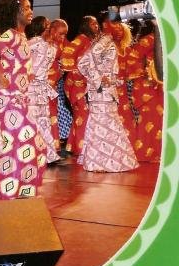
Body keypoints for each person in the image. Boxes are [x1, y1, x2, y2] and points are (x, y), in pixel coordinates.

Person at [0, 0, 46, 199]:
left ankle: (22, 188)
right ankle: (7, 190)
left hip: (18, 97)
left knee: (34, 144)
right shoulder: (10, 34)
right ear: (15, 12)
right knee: (20, 143)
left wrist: (24, 75)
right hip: (9, 98)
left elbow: (13, 63)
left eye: (30, 7)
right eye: (26, 8)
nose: (31, 11)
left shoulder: (21, 36)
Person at [76, 16, 138, 172]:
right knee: (102, 124)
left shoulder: (106, 41)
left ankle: (104, 162)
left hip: (107, 92)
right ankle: (99, 163)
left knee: (106, 123)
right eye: (114, 24)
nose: (118, 28)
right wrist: (98, 78)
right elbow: (83, 62)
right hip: (100, 92)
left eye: (119, 25)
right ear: (106, 25)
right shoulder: (103, 41)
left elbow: (109, 68)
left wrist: (113, 81)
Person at [25, 16, 60, 164]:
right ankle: (31, 155)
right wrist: (27, 71)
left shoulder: (53, 47)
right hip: (30, 87)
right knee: (31, 120)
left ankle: (48, 154)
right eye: (46, 25)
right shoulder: (33, 43)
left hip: (42, 88)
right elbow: (20, 56)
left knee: (44, 121)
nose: (48, 27)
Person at [61, 16, 96, 155]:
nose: (96, 26)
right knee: (83, 115)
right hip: (77, 86)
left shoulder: (91, 41)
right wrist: (77, 75)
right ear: (86, 26)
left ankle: (75, 146)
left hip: (87, 85)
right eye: (93, 24)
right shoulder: (81, 39)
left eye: (96, 24)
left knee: (82, 116)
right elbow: (67, 54)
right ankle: (82, 149)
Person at [128, 19, 163, 162]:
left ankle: (160, 153)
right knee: (150, 121)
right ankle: (144, 154)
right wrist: (145, 74)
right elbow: (132, 58)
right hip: (149, 89)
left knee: (161, 121)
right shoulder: (148, 40)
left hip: (163, 88)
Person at [103, 17, 137, 143]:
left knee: (127, 117)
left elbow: (133, 68)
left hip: (126, 89)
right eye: (115, 30)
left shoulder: (128, 49)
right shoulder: (107, 49)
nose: (118, 32)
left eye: (121, 30)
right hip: (112, 89)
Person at [48, 18, 71, 157]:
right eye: (60, 34)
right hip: (46, 82)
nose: (63, 37)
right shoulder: (44, 43)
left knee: (57, 110)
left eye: (65, 34)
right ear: (52, 30)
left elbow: (71, 53)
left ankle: (57, 142)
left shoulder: (64, 43)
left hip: (58, 81)